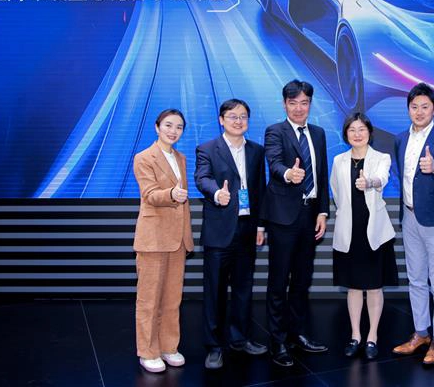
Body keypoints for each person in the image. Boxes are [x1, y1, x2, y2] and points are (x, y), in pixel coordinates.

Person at [195, 98, 269, 369]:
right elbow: (202, 178)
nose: (239, 121)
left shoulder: (256, 151)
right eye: (233, 116)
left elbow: (259, 189)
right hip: (220, 230)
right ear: (221, 120)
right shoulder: (207, 149)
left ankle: (240, 339)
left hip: (248, 229)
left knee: (243, 289)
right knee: (215, 291)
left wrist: (260, 225)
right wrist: (217, 193)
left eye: (243, 117)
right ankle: (214, 346)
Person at [261, 79, 330, 367]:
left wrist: (323, 212)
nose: (299, 108)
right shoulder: (275, 131)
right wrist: (289, 174)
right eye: (293, 103)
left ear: (310, 104)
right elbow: (274, 162)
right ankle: (277, 342)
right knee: (279, 281)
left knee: (302, 280)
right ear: (284, 104)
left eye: (304, 103)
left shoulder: (319, 133)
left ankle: (298, 333)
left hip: (310, 215)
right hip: (283, 217)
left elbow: (322, 175)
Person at [391, 82, 434, 365]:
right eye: (414, 106)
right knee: (416, 279)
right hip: (409, 217)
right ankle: (421, 333)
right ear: (408, 109)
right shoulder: (400, 139)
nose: (419, 112)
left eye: (425, 107)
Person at [331, 112, 398, 361]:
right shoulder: (338, 160)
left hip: (375, 233)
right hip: (349, 231)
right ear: (346, 134)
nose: (357, 134)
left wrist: (369, 182)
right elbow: (336, 192)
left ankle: (372, 336)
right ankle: (355, 335)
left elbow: (382, 179)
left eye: (362, 129)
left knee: (374, 286)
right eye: (352, 130)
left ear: (369, 132)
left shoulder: (381, 157)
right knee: (354, 286)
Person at [132, 109, 195, 373]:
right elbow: (149, 194)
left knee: (172, 298)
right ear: (157, 127)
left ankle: (169, 346)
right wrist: (171, 193)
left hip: (177, 239)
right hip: (154, 238)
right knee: (149, 300)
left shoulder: (181, 158)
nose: (173, 131)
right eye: (168, 125)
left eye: (179, 127)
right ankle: (148, 351)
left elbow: (183, 201)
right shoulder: (143, 157)